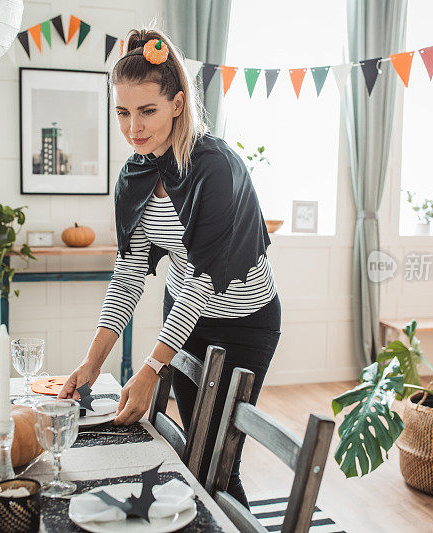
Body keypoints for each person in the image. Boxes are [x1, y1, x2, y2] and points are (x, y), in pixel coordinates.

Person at [58, 27, 281, 508]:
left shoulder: (216, 167)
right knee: (193, 455)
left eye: (147, 111)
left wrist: (151, 368)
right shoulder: (135, 173)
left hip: (244, 322)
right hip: (185, 320)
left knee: (218, 459)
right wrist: (91, 363)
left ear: (178, 104)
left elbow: (204, 280)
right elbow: (129, 274)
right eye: (122, 112)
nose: (133, 127)